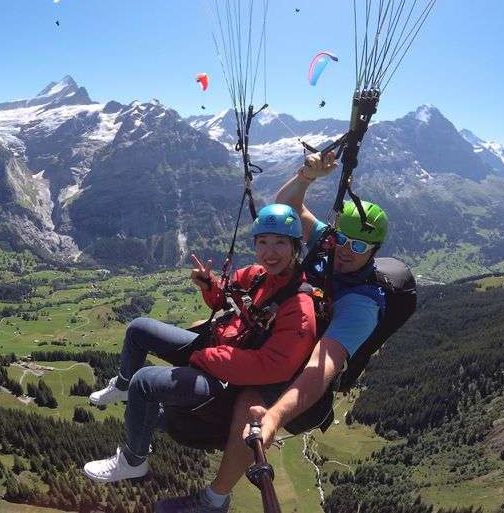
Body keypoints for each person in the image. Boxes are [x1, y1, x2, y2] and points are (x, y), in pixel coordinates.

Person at [156, 151, 410, 512]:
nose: (344, 251)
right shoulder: (327, 243)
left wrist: (274, 417)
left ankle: (214, 500)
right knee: (202, 330)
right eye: (342, 239)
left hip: (301, 368)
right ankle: (178, 412)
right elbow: (288, 206)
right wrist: (307, 176)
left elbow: (320, 368)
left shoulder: (361, 305)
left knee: (250, 403)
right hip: (283, 335)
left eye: (358, 247)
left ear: (374, 251)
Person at [82, 204, 318, 502]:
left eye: (280, 243)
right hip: (217, 351)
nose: (269, 252)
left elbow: (274, 366)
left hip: (227, 381)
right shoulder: (258, 276)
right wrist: (210, 286)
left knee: (145, 382)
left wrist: (209, 358)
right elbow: (224, 297)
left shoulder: (299, 308)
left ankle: (133, 460)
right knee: (138, 329)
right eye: (263, 242)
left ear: (295, 246)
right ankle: (122, 385)